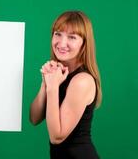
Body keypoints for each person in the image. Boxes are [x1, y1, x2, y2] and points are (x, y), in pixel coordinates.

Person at [29, 11, 102, 159]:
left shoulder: (82, 80)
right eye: (58, 34)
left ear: (84, 43)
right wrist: (46, 83)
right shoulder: (58, 74)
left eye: (72, 37)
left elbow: (57, 137)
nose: (62, 43)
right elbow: (34, 118)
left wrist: (53, 87)